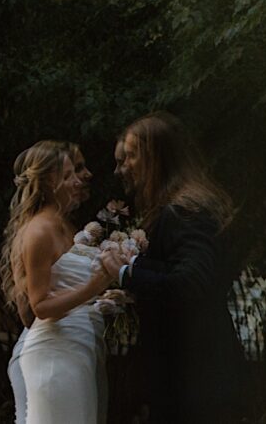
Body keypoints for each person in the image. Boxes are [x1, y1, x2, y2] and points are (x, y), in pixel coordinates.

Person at [100, 112, 244, 423]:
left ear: (157, 157)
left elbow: (190, 284)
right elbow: (177, 277)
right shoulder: (181, 209)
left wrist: (127, 271)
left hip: (194, 380)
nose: (123, 168)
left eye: (131, 156)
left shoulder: (185, 211)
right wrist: (133, 286)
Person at [1, 140, 112, 424]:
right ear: (51, 181)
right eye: (69, 174)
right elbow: (39, 306)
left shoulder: (67, 226)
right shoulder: (39, 230)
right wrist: (94, 287)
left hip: (79, 349)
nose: (78, 179)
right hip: (55, 356)